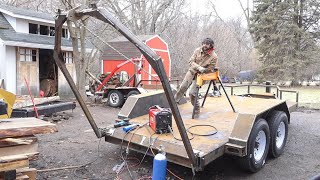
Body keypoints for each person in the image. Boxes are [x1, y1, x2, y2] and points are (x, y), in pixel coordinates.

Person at [174, 37, 218, 114]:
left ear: (211, 45)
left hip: (201, 75)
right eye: (204, 43)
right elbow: (190, 62)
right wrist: (198, 67)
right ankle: (174, 104)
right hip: (192, 71)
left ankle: (196, 108)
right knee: (183, 87)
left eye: (207, 44)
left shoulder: (214, 56)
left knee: (192, 93)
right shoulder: (197, 50)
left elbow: (211, 68)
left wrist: (204, 70)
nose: (204, 45)